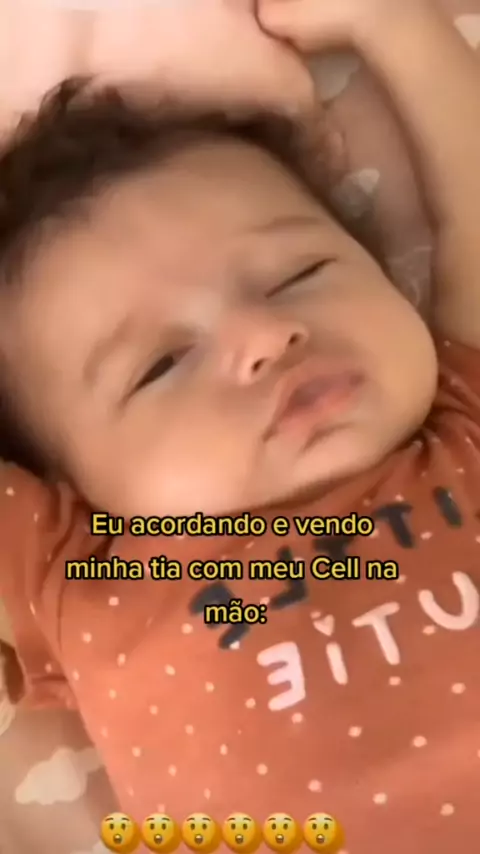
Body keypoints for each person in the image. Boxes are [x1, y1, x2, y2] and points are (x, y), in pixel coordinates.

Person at [0, 0, 479, 850]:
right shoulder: (76, 578)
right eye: (159, 365)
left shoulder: (466, 421)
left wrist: (393, 26)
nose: (265, 337)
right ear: (69, 481)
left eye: (301, 273)